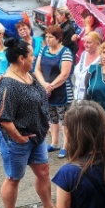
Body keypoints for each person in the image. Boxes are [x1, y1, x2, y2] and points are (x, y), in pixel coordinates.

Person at [0, 38, 56, 208]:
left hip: (36, 137)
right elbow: (3, 118)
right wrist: (19, 138)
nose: (34, 57)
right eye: (31, 55)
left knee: (43, 171)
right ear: (21, 59)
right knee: (13, 177)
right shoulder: (8, 84)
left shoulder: (28, 76)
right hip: (17, 140)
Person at [35, 25, 74, 158]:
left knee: (65, 120)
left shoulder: (66, 52)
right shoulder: (43, 49)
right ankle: (55, 143)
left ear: (58, 38)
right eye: (46, 36)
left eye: (51, 37)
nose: (48, 39)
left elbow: (64, 74)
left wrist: (50, 86)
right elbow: (37, 70)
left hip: (63, 91)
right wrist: (44, 84)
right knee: (52, 118)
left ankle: (66, 146)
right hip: (47, 91)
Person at [73, 31, 102, 101]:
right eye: (84, 42)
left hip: (91, 100)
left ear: (97, 44)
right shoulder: (84, 54)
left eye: (89, 42)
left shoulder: (102, 59)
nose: (85, 45)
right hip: (77, 97)